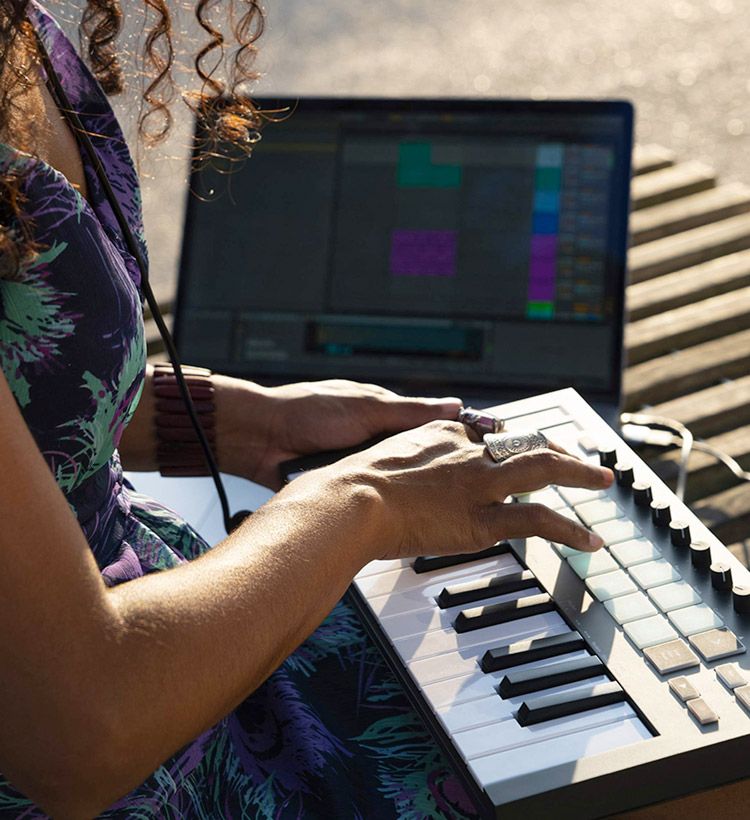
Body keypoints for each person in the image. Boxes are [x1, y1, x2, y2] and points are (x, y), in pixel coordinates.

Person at [0, 1, 613, 817]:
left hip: (168, 640)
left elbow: (39, 407)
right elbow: (80, 733)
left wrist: (254, 423)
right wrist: (364, 499)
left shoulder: (20, 32)